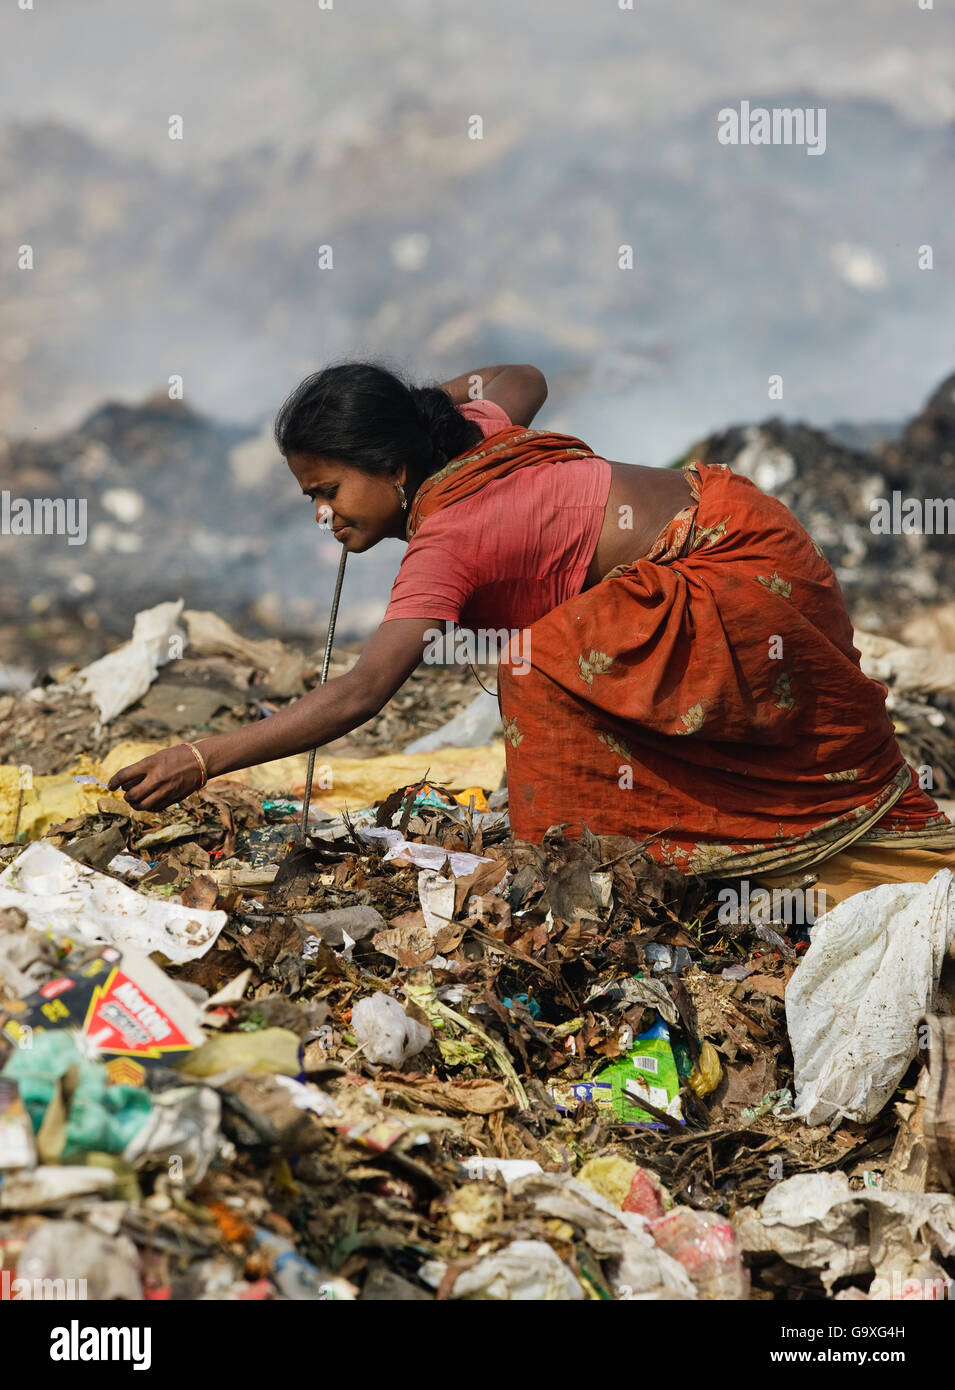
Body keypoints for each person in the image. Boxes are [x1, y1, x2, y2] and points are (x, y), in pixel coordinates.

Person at [109, 360, 955, 889]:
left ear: (393, 466)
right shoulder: (474, 431)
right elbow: (521, 376)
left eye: (328, 491)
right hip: (751, 531)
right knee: (568, 655)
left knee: (538, 664)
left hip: (733, 583)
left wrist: (201, 756)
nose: (323, 517)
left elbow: (360, 694)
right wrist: (422, 410)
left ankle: (601, 859)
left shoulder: (448, 539)